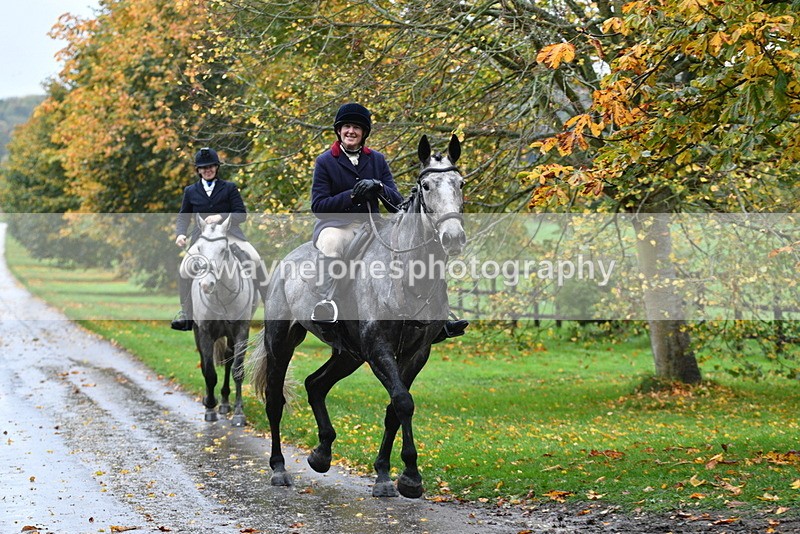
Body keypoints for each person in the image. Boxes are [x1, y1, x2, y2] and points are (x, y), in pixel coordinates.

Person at [309, 103, 468, 341]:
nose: (351, 131)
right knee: (332, 243)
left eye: (356, 128)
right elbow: (319, 206)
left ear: (364, 133)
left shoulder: (377, 160)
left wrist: (379, 186)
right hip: (337, 226)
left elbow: (396, 203)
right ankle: (328, 301)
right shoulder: (325, 161)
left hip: (373, 225)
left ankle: (438, 314)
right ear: (339, 131)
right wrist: (353, 194)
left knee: (419, 247)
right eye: (346, 127)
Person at [171, 147, 267, 331]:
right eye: (203, 167)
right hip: (203, 239)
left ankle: (270, 307)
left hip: (229, 235)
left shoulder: (229, 187)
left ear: (216, 167)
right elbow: (184, 216)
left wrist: (220, 217)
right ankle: (186, 314)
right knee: (184, 268)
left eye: (211, 166)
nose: (207, 170)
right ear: (198, 170)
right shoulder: (190, 191)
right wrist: (180, 233)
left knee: (254, 258)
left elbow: (241, 214)